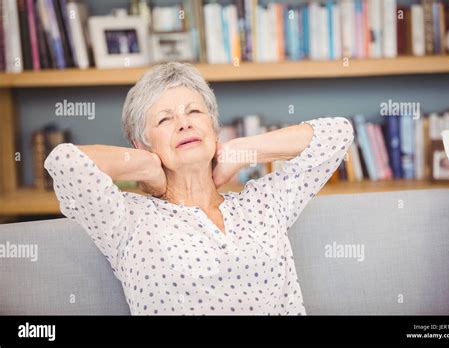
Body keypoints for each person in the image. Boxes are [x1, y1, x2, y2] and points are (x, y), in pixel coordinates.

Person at [44, 62, 354, 315]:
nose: (184, 123)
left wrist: (242, 150)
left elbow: (338, 134)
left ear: (214, 127)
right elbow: (66, 162)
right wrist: (146, 166)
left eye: (194, 112)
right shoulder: (128, 221)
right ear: (142, 143)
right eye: (165, 119)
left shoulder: (263, 203)